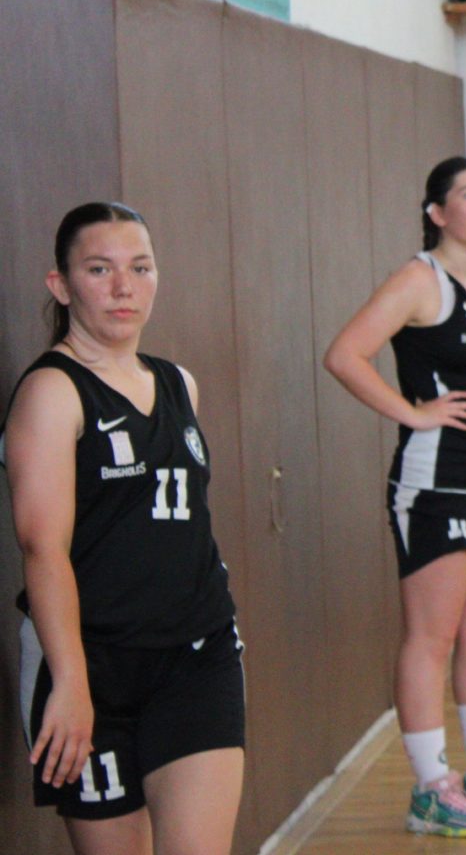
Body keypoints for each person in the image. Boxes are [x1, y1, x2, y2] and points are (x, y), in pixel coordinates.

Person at [324, 157, 466, 836]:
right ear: (436, 212)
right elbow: (345, 354)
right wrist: (413, 412)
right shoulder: (417, 280)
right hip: (437, 484)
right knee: (433, 637)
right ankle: (431, 787)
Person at [3, 202, 243, 854]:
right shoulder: (52, 392)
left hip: (197, 654)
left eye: (140, 268)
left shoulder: (178, 384)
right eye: (99, 269)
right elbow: (42, 548)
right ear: (61, 285)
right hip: (92, 666)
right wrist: (71, 682)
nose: (122, 287)